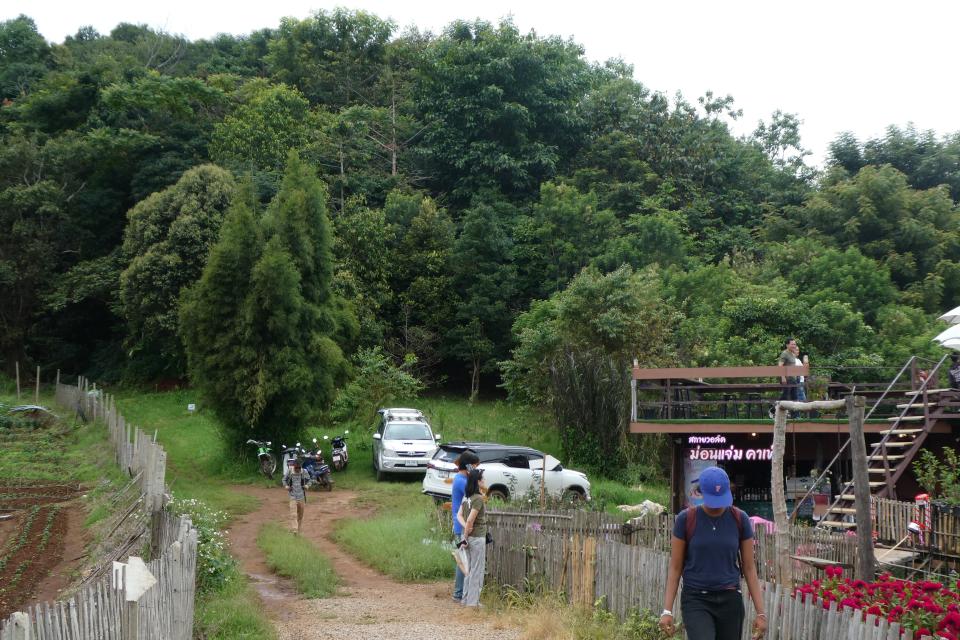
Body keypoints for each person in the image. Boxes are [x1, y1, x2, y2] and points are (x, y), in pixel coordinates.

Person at [660, 466, 767, 640]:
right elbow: (675, 567)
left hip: (730, 600)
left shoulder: (740, 519)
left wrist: (761, 613)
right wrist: (667, 610)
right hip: (696, 599)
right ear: (701, 493)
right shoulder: (685, 520)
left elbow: (749, 567)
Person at [451, 450, 480, 603]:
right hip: (461, 525)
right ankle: (458, 593)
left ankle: (460, 592)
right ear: (468, 466)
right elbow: (476, 496)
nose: (475, 469)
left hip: (460, 524)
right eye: (474, 466)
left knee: (464, 559)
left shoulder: (460, 478)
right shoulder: (462, 481)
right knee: (464, 560)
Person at [457, 468, 488, 607]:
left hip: (469, 538)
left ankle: (466, 599)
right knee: (477, 570)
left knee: (469, 570)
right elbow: (470, 519)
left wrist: (465, 533)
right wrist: (467, 530)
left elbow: (459, 516)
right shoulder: (478, 499)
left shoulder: (466, 498)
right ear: (477, 481)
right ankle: (473, 603)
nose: (484, 481)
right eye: (482, 479)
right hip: (477, 538)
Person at [770, 338, 799, 418]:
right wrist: (783, 377)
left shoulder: (792, 353)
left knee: (795, 397)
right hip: (787, 378)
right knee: (785, 396)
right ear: (787, 345)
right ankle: (773, 410)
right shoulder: (784, 353)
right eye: (792, 344)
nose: (794, 346)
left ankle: (795, 416)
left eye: (795, 344)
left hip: (793, 378)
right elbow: (780, 366)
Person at [284, 461, 309, 534]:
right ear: (293, 467)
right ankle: (295, 529)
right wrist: (286, 486)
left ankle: (299, 529)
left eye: (299, 468)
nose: (297, 469)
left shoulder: (304, 471)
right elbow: (284, 479)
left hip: (301, 497)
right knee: (293, 514)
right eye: (296, 468)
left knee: (300, 515)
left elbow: (309, 480)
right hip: (293, 496)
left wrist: (307, 486)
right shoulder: (290, 471)